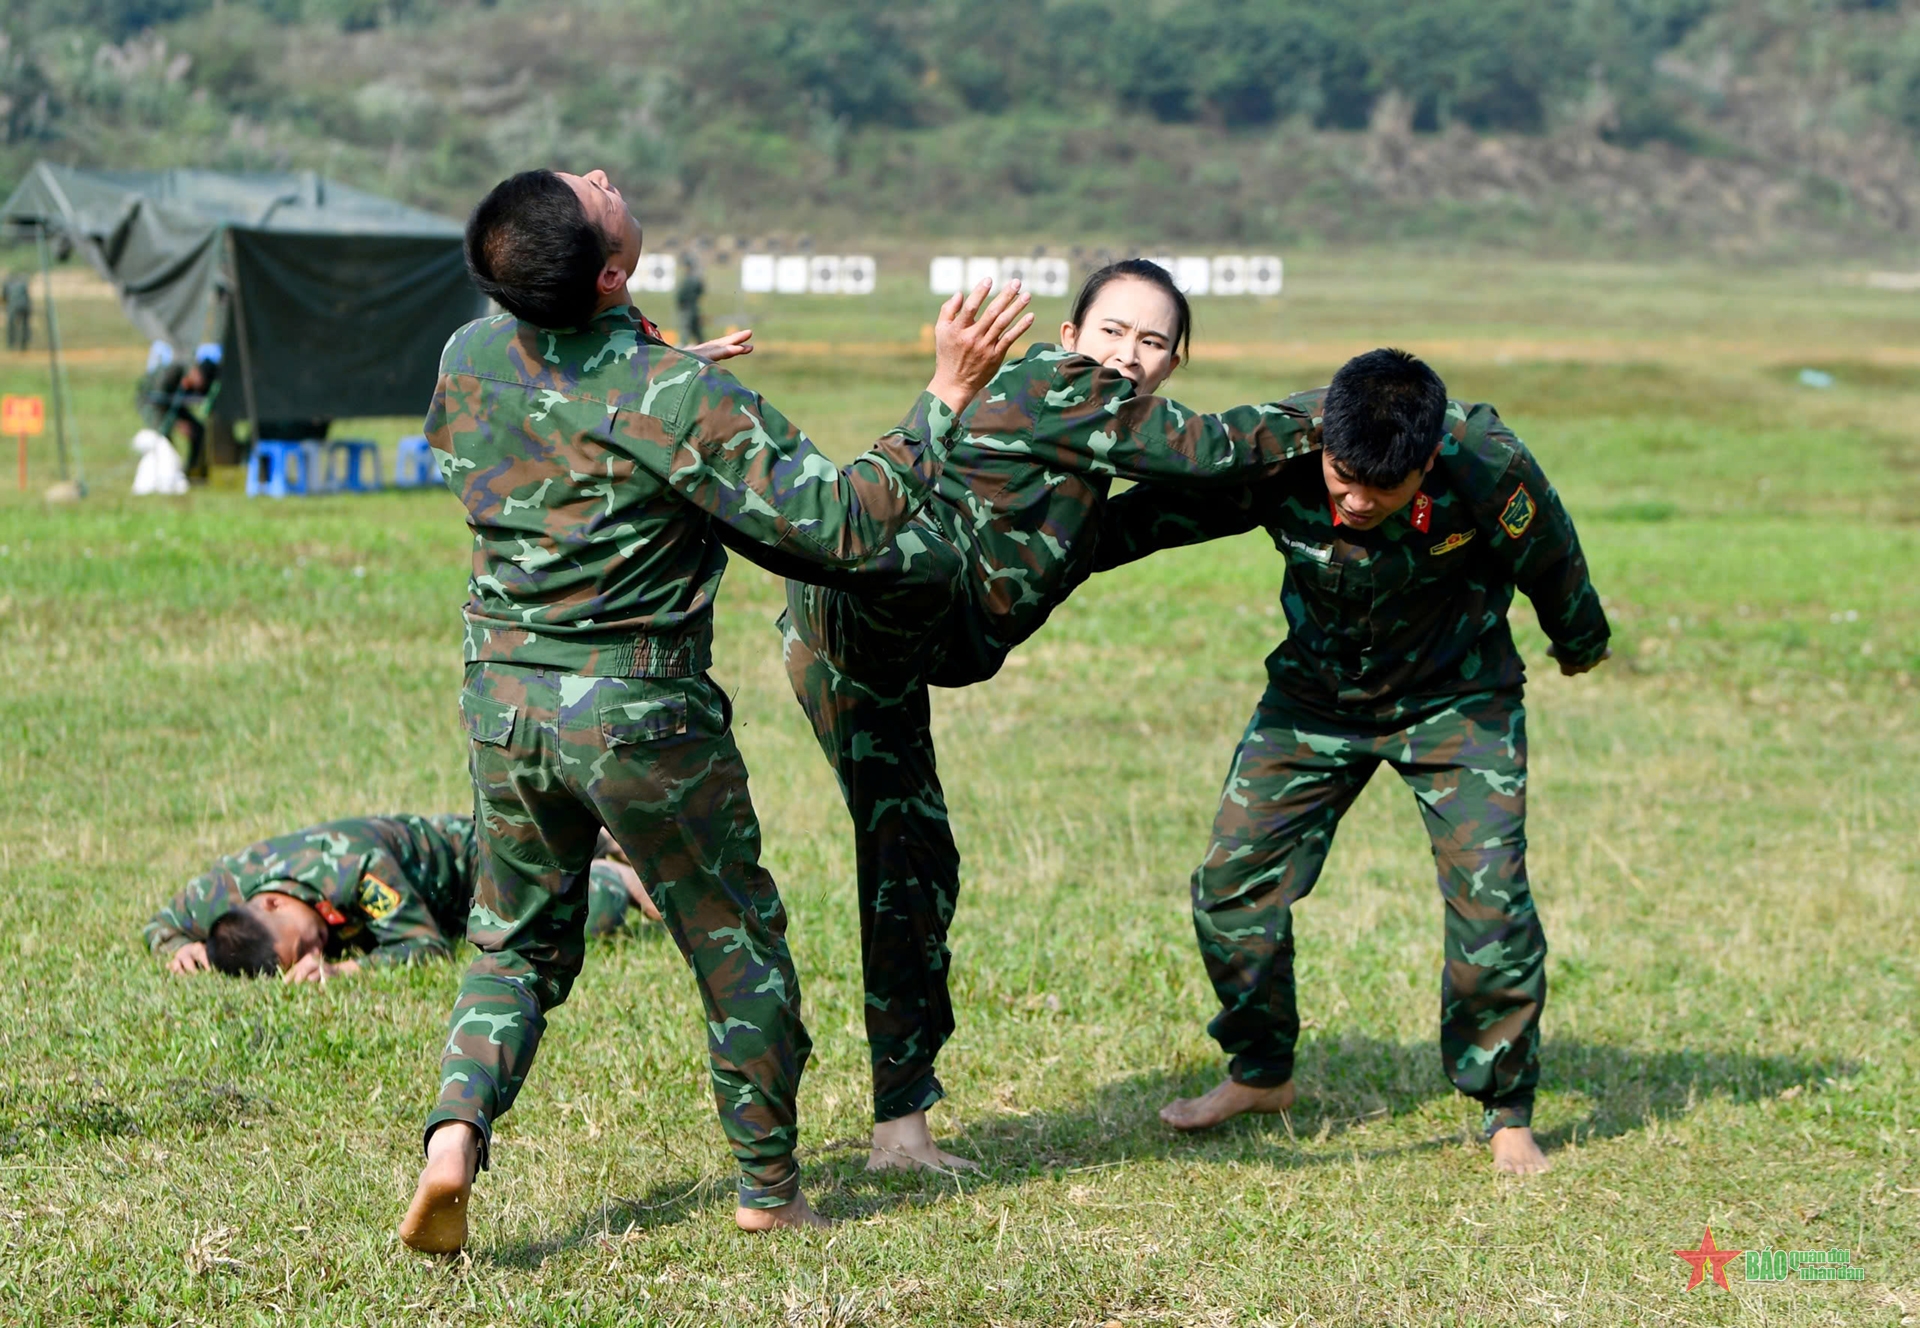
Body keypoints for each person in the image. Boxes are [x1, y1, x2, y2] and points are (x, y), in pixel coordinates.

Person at [398, 166, 1031, 1254]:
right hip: (639, 713)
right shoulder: (680, 401)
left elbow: (539, 422)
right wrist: (947, 393)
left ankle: (455, 1137)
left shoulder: (470, 355)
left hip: (503, 699)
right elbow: (840, 525)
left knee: (513, 944)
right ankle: (769, 1187)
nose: (603, 176)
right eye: (592, 191)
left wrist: (661, 378)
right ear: (609, 275)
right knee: (733, 941)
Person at [778, 259, 1317, 1173]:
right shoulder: (1050, 382)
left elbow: (1173, 510)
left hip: (893, 657)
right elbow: (1211, 449)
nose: (1128, 354)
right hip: (861, 605)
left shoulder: (1079, 478)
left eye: (1152, 343)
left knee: (914, 867)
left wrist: (1309, 479)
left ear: (1172, 364)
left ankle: (900, 1132)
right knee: (915, 574)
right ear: (1072, 340)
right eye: (1112, 331)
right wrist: (1344, 407)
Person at [1091, 348, 1612, 1175]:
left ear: (1427, 461)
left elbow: (1550, 551)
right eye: (1343, 479)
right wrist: (1039, 557)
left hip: (1458, 702)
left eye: (1384, 487)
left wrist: (1579, 641)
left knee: (1492, 908)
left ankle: (1506, 1107)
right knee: (1230, 891)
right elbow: (1155, 515)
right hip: (1314, 701)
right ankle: (1261, 1072)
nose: (1358, 501)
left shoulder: (1484, 461)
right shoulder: (1283, 446)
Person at [144, 814, 657, 981]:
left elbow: (425, 946)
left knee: (576, 915)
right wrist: (182, 949)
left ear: (274, 904)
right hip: (457, 881)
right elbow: (159, 927)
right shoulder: (226, 891)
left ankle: (614, 872)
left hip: (474, 868)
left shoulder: (357, 869)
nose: (315, 954)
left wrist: (347, 970)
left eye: (307, 945)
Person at [674, 253, 705, 346]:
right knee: (696, 328)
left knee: (686, 327)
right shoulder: (696, 279)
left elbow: (681, 295)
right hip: (694, 307)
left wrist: (679, 304)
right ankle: (701, 344)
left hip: (687, 308)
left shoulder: (687, 280)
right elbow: (701, 291)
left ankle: (683, 344)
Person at [4, 272, 30, 352]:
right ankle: (24, 343)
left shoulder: (8, 284)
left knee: (11, 324)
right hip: (24, 306)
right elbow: (27, 296)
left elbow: (5, 297)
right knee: (24, 325)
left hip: (14, 307)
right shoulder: (23, 284)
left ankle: (11, 343)